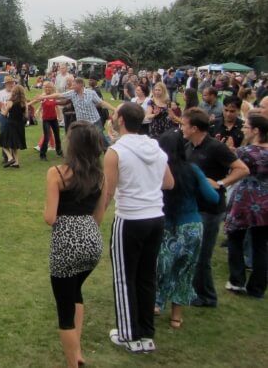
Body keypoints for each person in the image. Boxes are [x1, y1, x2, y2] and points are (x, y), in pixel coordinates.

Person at [103, 103, 174, 354]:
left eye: (114, 115)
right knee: (146, 276)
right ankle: (146, 332)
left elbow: (108, 191)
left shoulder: (115, 151)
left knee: (124, 278)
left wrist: (96, 218)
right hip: (156, 217)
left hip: (130, 218)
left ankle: (128, 334)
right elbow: (168, 182)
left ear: (121, 120)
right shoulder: (155, 147)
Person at [43, 121, 105, 368]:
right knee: (76, 291)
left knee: (64, 310)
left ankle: (72, 363)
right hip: (92, 240)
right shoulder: (100, 176)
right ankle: (77, 351)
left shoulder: (57, 173)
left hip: (66, 244)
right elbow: (99, 215)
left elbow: (50, 217)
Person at [182, 108, 249, 307]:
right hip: (194, 207)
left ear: (194, 128)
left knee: (203, 255)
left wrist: (221, 183)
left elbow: (242, 169)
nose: (181, 128)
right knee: (193, 252)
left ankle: (207, 296)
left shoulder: (215, 147)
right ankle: (195, 291)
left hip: (211, 209)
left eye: (184, 125)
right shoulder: (189, 147)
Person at [154, 131, 218, 329]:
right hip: (191, 226)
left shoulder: (157, 171)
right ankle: (176, 316)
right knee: (184, 270)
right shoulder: (193, 170)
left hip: (165, 226)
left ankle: (155, 304)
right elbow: (212, 198)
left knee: (159, 267)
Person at [224, 115, 268, 298]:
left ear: (256, 130)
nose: (244, 129)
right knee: (261, 245)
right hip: (266, 200)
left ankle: (237, 281)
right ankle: (257, 287)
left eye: (247, 127)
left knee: (235, 237)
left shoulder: (245, 152)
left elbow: (231, 167)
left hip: (245, 198)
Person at [0, 85, 28, 168]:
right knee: (15, 145)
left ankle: (10, 158)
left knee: (2, 142)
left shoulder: (10, 102)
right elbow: (26, 115)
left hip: (10, 124)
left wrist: (2, 108)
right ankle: (16, 162)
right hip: (20, 125)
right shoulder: (24, 103)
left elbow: (4, 114)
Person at [30, 82, 63, 160]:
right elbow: (34, 102)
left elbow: (57, 106)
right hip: (46, 120)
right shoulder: (43, 96)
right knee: (46, 137)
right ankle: (42, 155)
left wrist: (59, 116)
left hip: (54, 119)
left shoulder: (54, 96)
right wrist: (27, 104)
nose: (47, 89)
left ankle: (59, 152)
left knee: (57, 136)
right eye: (46, 88)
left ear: (52, 89)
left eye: (49, 88)